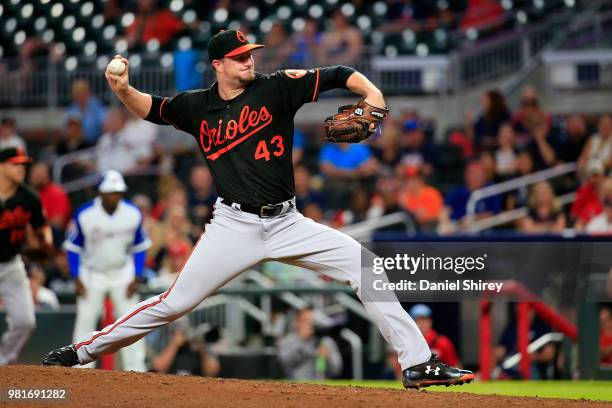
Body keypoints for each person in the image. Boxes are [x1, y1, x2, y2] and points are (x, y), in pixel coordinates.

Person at [43, 30, 473, 389]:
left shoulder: (277, 86)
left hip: (288, 221)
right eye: (238, 57)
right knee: (173, 304)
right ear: (218, 65)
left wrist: (373, 93)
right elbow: (153, 108)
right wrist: (122, 90)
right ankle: (81, 351)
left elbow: (341, 74)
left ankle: (417, 363)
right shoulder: (198, 106)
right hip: (233, 224)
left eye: (250, 54)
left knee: (366, 267)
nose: (248, 61)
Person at [61, 170, 151, 371]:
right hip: (92, 273)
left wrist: (137, 275)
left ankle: (136, 369)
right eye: (111, 192)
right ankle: (79, 369)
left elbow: (140, 246)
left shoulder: (133, 213)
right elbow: (73, 248)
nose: (115, 196)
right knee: (85, 321)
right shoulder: (85, 214)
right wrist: (76, 277)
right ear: (100, 193)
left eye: (119, 192)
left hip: (122, 273)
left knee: (132, 322)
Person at [0, 148, 52, 365]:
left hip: (12, 264)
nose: (21, 168)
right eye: (15, 164)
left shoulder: (29, 197)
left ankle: (4, 362)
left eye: (23, 164)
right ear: (1, 165)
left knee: (25, 321)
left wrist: (46, 241)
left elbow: (42, 227)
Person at [278, 308, 342, 380]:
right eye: (306, 321)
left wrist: (328, 357)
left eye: (312, 322)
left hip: (321, 385)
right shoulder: (288, 340)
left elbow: (337, 371)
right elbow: (283, 363)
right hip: (295, 384)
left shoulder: (326, 342)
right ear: (296, 322)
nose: (310, 325)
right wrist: (301, 341)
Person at [152, 318, 220, 376]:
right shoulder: (167, 345)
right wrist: (174, 345)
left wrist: (202, 350)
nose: (183, 333)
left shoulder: (196, 347)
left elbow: (212, 371)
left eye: (184, 330)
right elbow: (158, 368)